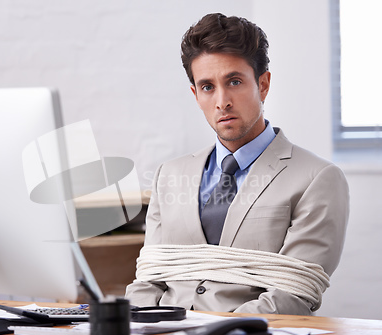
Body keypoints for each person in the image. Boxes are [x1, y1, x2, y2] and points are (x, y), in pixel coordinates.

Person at [125, 13, 349, 315]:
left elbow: (294, 293)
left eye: (234, 81)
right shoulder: (169, 175)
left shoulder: (317, 178)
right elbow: (150, 280)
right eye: (207, 87)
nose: (222, 101)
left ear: (263, 84)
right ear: (195, 95)